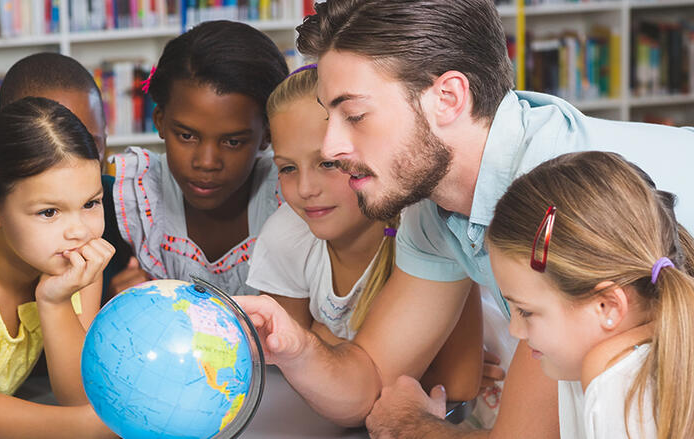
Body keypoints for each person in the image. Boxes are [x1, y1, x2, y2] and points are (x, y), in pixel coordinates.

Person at [234, 0, 694, 437]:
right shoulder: (433, 202)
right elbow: (370, 378)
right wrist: (298, 350)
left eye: (354, 115)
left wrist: (412, 425)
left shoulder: (554, 203)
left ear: (449, 97)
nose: (332, 146)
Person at [246, 66, 485, 404]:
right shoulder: (285, 236)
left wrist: (325, 345)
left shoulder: (430, 227)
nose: (305, 189)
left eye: (328, 164)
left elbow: (456, 384)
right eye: (287, 168)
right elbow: (284, 360)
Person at [487, 151, 694, 439]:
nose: (515, 330)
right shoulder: (578, 361)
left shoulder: (616, 384)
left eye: (526, 311)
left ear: (607, 305)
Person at [0, 97, 115, 438]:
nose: (79, 231)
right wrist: (93, 426)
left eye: (90, 203)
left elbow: (79, 396)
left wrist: (55, 302)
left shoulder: (78, 267)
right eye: (49, 212)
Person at [112, 20, 289, 296]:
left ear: (267, 134)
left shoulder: (288, 198)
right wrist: (116, 301)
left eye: (232, 142)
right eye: (186, 136)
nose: (207, 162)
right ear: (160, 121)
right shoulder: (137, 199)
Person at [0, 52, 130, 301]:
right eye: (42, 144)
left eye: (85, 142)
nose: (67, 155)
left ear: (105, 137)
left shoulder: (125, 206)